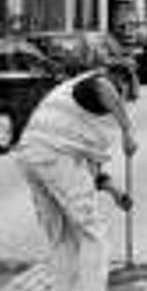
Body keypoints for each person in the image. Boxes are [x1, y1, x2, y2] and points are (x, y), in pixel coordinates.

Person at [14, 70, 138, 291]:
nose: (123, 101)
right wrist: (127, 129)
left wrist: (114, 191)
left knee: (62, 238)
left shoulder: (82, 107)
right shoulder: (98, 83)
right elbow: (102, 86)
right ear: (121, 83)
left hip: (32, 154)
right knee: (92, 232)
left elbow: (88, 170)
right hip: (55, 154)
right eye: (125, 94)